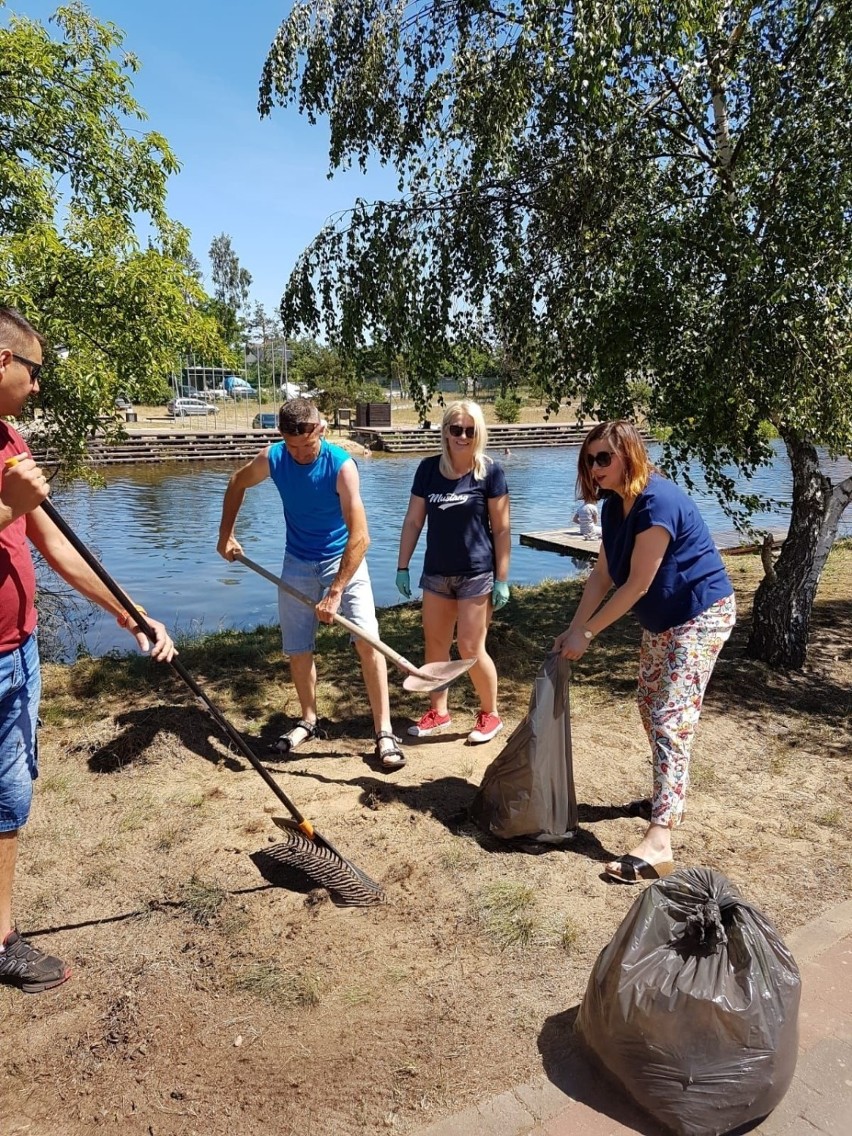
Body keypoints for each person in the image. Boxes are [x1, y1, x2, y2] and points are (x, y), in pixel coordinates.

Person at [0, 307, 176, 994]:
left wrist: (130, 614)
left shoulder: (8, 438)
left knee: (9, 798)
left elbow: (56, 545)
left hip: (17, 653)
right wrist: (8, 507)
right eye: (33, 372)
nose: (38, 387)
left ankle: (2, 937)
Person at [554, 420, 736, 883]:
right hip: (665, 620)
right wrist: (572, 629)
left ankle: (659, 843)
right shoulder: (615, 507)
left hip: (701, 614)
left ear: (629, 455)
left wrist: (589, 634)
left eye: (603, 458)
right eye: (589, 459)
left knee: (670, 718)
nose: (594, 468)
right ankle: (666, 796)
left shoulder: (658, 502)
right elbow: (602, 576)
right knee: (649, 704)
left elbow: (636, 584)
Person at [217, 397, 404, 768]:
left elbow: (361, 537)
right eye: (293, 446)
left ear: (321, 429)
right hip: (297, 561)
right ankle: (308, 720)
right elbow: (237, 483)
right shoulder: (273, 458)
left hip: (344, 560)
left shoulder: (342, 466)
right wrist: (226, 535)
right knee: (298, 649)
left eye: (308, 445)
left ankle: (384, 731)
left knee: (368, 641)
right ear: (282, 438)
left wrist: (336, 591)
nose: (301, 453)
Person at [396, 400, 511, 744]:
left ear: (479, 433)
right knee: (436, 644)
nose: (462, 436)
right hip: (436, 573)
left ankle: (490, 715)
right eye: (456, 429)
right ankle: (439, 712)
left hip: (476, 572)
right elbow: (414, 520)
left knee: (471, 647)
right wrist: (402, 566)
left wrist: (502, 578)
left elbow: (502, 529)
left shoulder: (490, 472)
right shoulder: (428, 469)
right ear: (445, 431)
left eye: (470, 430)